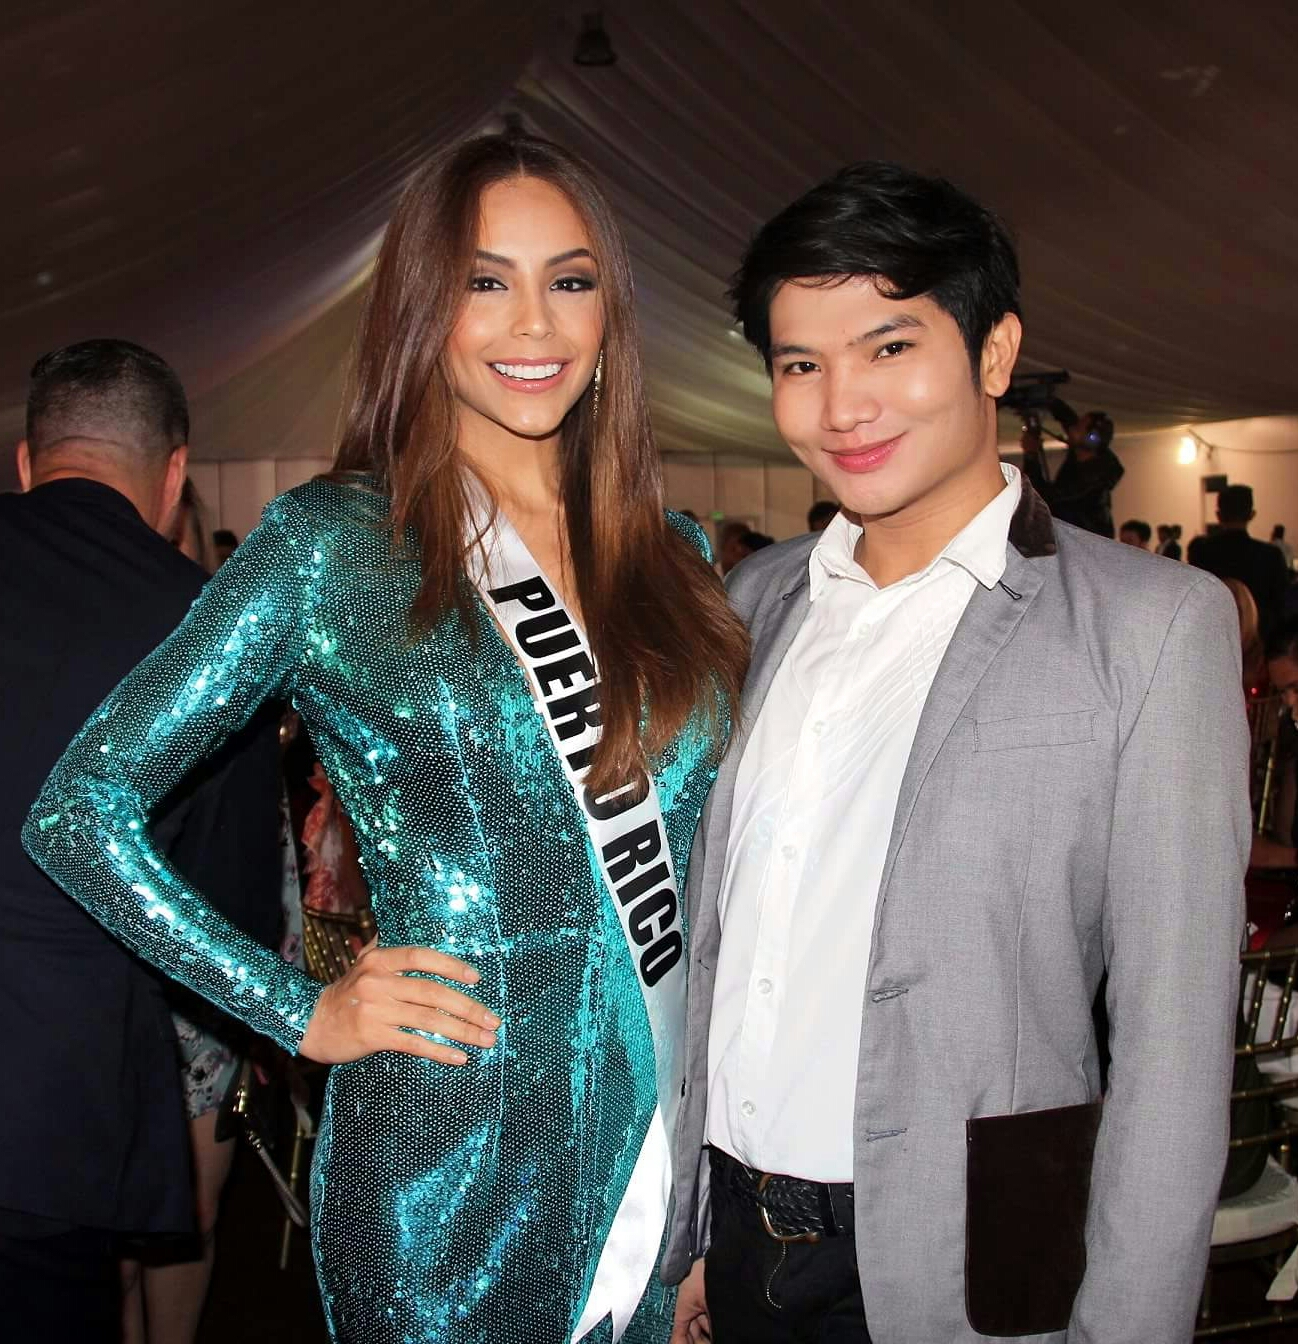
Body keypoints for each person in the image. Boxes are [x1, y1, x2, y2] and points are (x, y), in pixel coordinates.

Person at [24, 132, 748, 1344]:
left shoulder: (673, 559)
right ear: (423, 307)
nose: (534, 323)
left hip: (657, 1156)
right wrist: (295, 1009)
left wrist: (714, 1207)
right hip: (439, 1163)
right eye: (484, 281)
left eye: (568, 281)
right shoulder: (335, 546)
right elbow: (80, 808)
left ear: (609, 312)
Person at [665, 160, 1248, 1344]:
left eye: (888, 347)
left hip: (967, 1265)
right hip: (735, 1239)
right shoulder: (753, 600)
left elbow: (1176, 1045)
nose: (842, 405)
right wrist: (692, 1239)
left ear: (991, 353)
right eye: (799, 365)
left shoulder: (1147, 625)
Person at [0, 339, 281, 1344]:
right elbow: (231, 912)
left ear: (27, 462)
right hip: (51, 1109)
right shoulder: (206, 629)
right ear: (174, 478)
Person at [1188, 484, 1290, 637]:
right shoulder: (1270, 556)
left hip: (1210, 637)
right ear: (1252, 514)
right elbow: (1281, 608)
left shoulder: (1201, 551)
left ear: (1218, 515)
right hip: (1259, 639)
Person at [1019, 404, 1123, 538]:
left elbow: (1041, 496)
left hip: (1082, 543)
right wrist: (1049, 402)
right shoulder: (1087, 456)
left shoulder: (1088, 480)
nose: (1072, 429)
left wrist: (1031, 455)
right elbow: (1069, 420)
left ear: (1091, 439)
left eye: (1078, 427)